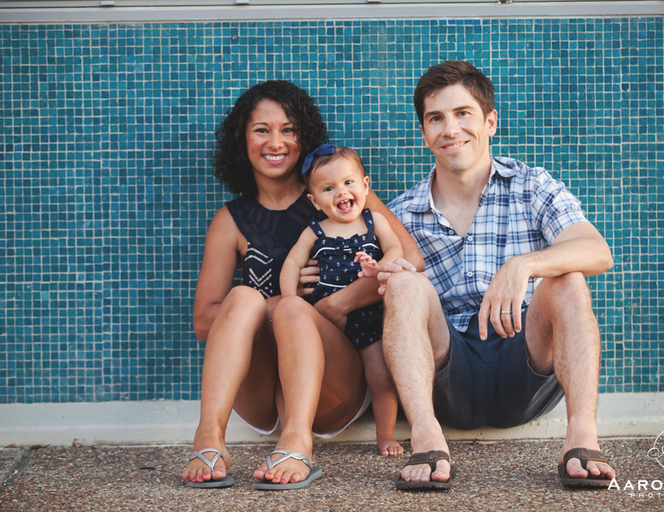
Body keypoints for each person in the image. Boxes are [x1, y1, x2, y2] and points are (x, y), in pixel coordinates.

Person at [377, 61, 617, 490]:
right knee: (403, 283)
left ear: (489, 122)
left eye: (463, 113)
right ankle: (427, 438)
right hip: (449, 374)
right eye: (436, 118)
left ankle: (582, 436)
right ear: (424, 133)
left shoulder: (532, 185)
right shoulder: (400, 213)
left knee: (569, 277)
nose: (450, 129)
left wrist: (523, 265)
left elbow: (598, 251)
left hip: (524, 363)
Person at [181, 80, 423, 490]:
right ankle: (209, 436)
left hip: (334, 380)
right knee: (243, 298)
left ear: (303, 137)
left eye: (288, 129)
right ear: (243, 139)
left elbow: (409, 261)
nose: (276, 142)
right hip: (261, 389)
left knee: (293, 309)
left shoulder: (340, 193)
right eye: (262, 130)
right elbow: (206, 323)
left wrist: (333, 305)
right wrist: (271, 302)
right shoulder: (231, 220)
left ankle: (298, 442)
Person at [280, 144, 404, 457]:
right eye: (328, 188)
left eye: (348, 183)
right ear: (314, 200)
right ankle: (297, 432)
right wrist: (289, 300)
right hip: (327, 322)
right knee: (304, 370)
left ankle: (385, 434)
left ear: (364, 185)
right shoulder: (315, 231)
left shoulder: (375, 220)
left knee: (381, 377)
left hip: (369, 318)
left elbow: (396, 250)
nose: (341, 192)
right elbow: (292, 265)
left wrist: (380, 268)